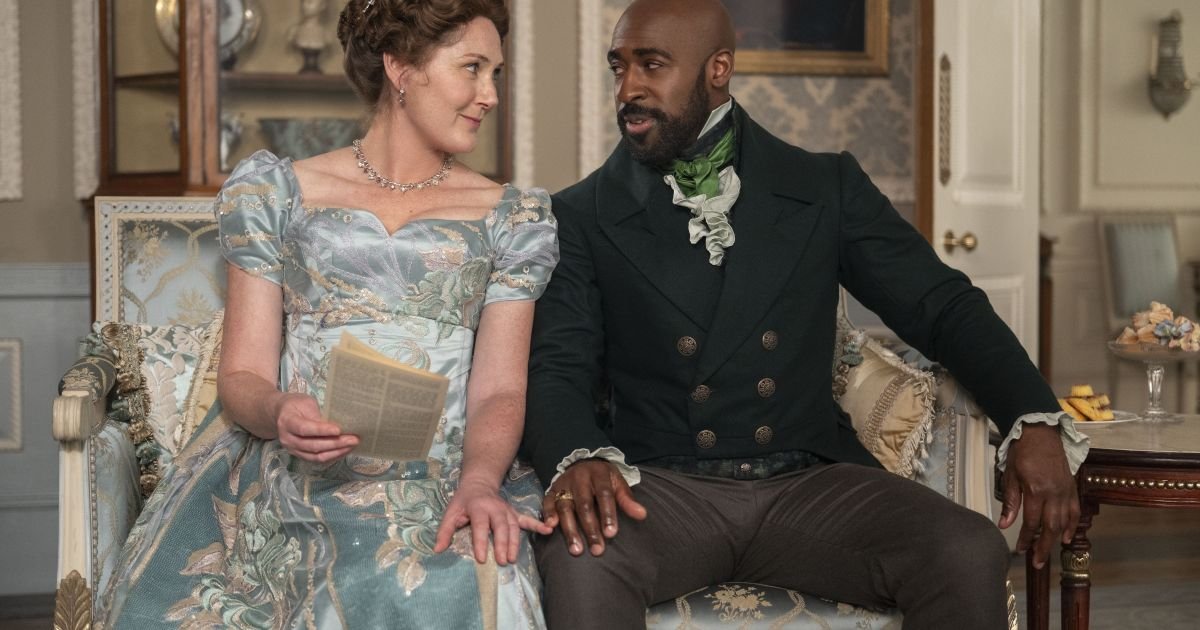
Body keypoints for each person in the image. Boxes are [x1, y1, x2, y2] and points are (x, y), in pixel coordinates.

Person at [522, 1, 1087, 628]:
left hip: (806, 484)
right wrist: (579, 453)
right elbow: (557, 366)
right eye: (619, 67)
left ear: (718, 69)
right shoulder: (580, 214)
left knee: (966, 549)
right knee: (582, 558)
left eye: (651, 65)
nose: (628, 88)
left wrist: (1031, 417)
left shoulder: (824, 186)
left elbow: (941, 306)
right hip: (661, 490)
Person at [98, 1, 558, 627]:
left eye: (495, 74)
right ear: (401, 68)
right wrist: (280, 411)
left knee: (460, 581)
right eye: (472, 68)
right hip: (298, 481)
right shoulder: (277, 194)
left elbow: (501, 389)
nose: (490, 96)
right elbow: (243, 376)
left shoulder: (512, 218)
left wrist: (479, 483)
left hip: (444, 482)